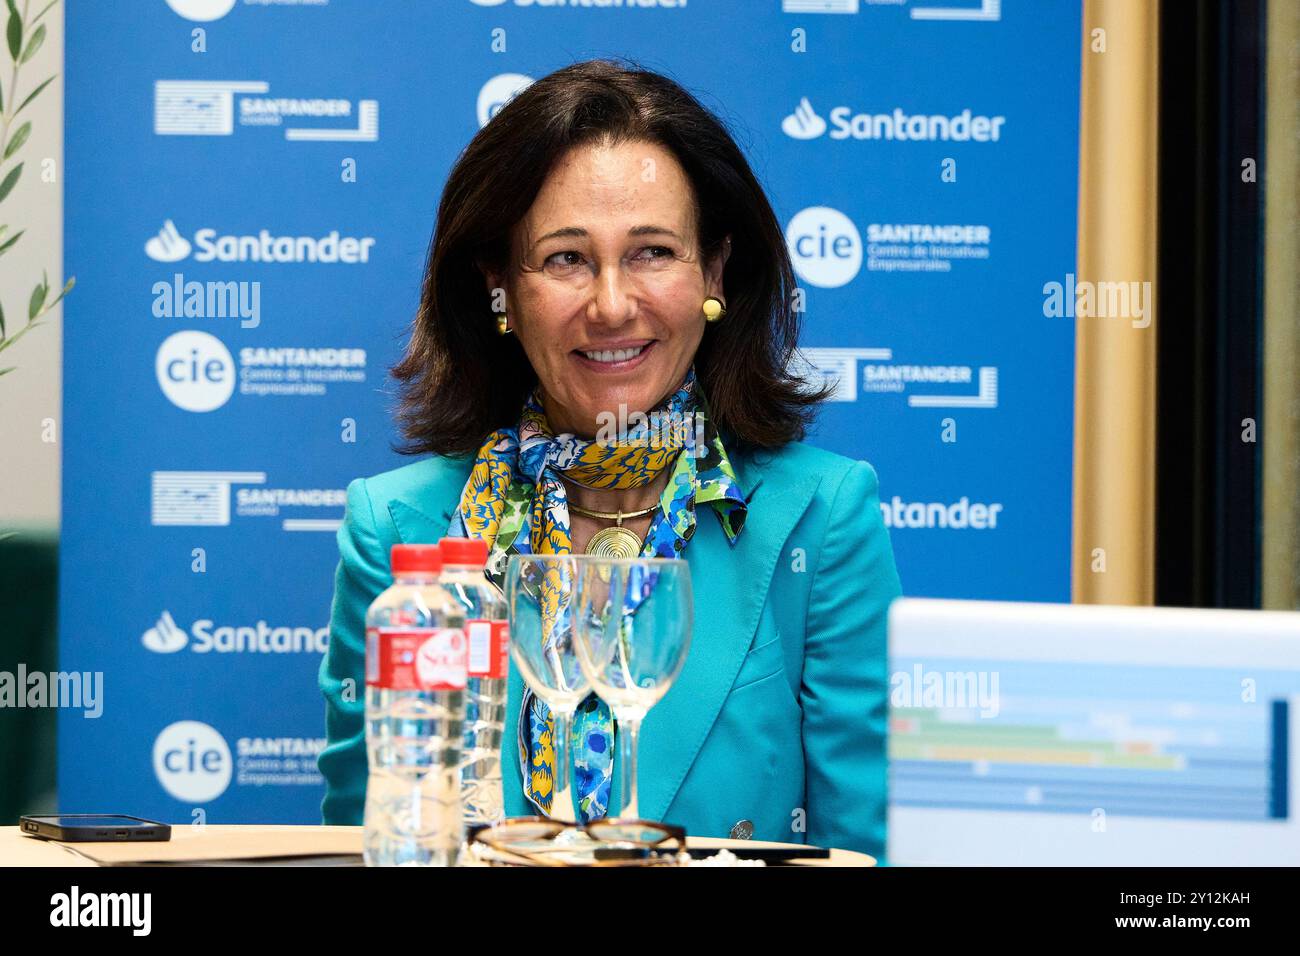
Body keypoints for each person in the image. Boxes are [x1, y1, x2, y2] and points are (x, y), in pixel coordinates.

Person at [317, 58, 902, 859]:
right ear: (500, 288)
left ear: (716, 273)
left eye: (653, 252)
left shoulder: (822, 518)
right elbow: (370, 846)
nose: (613, 305)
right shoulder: (396, 531)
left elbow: (869, 850)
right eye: (566, 259)